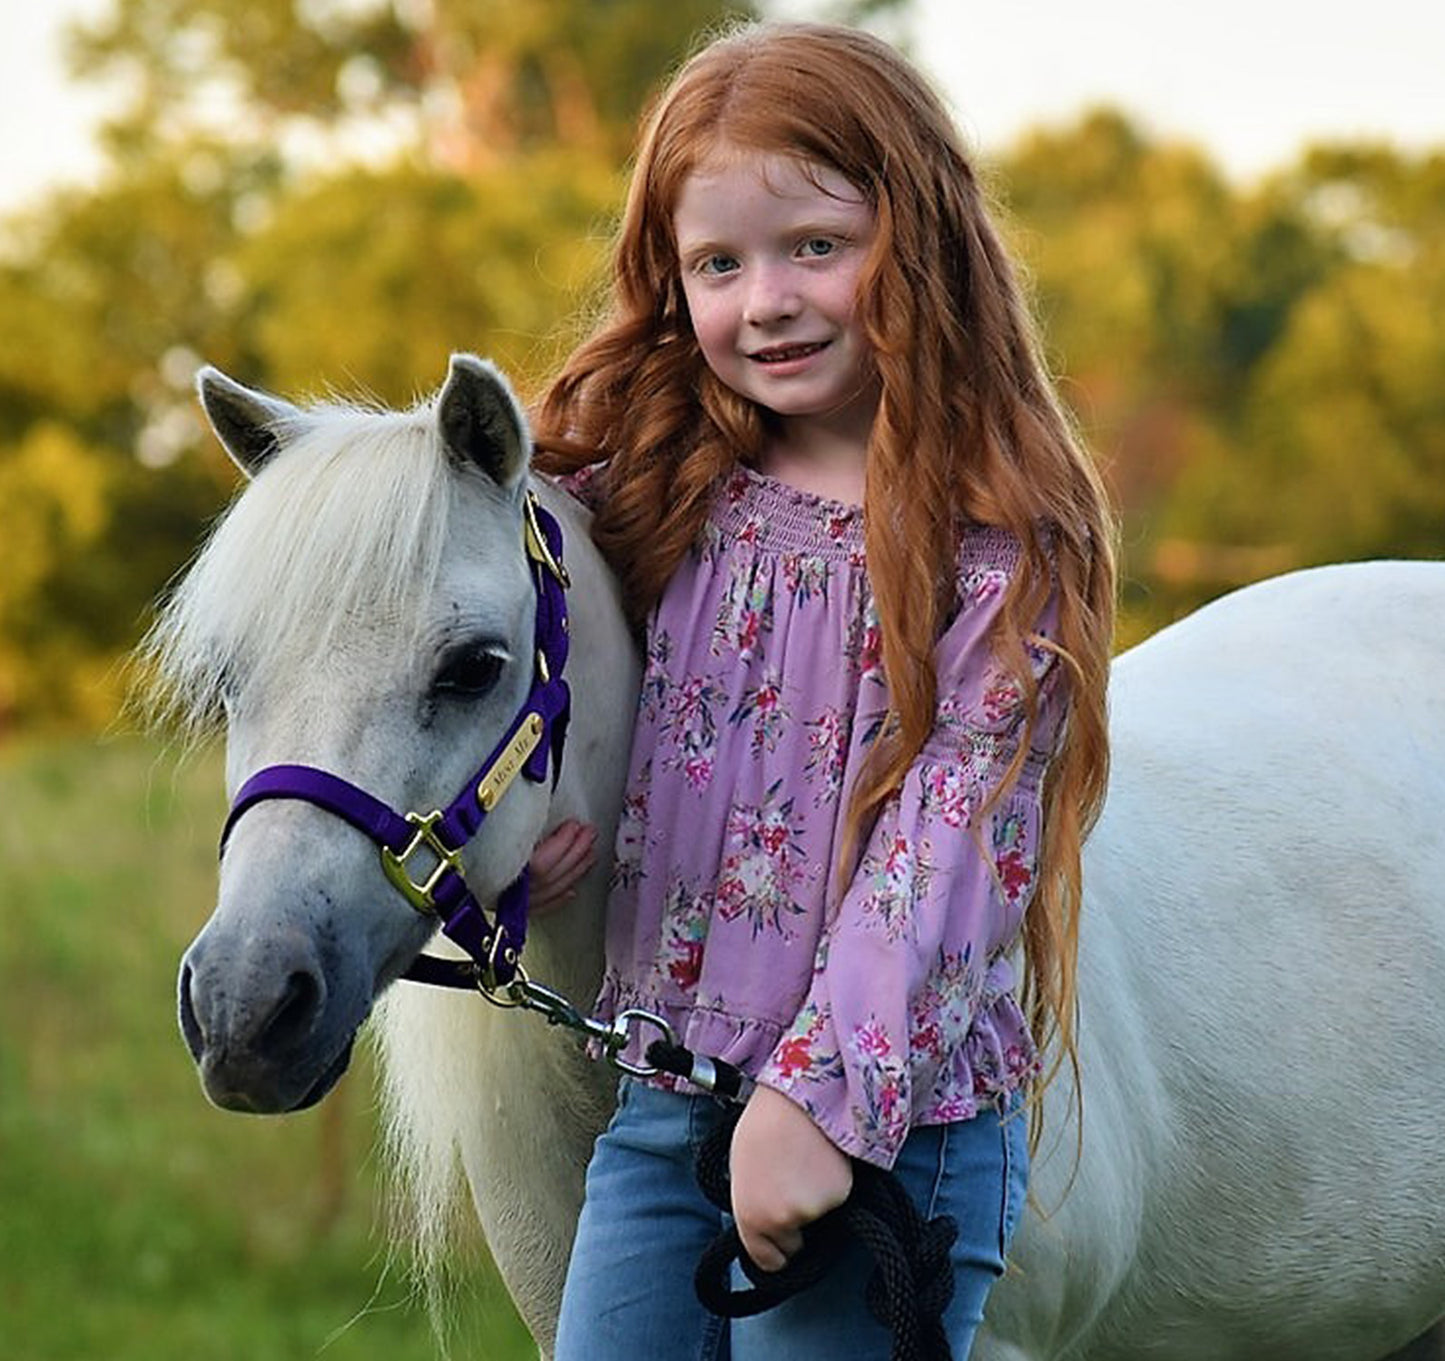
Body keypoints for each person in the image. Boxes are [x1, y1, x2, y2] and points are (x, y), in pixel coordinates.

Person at [528, 19, 1116, 1359]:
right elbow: (540, 680)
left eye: (815, 248)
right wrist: (531, 832)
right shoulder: (658, 491)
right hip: (662, 1118)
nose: (766, 301)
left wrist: (816, 1102)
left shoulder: (999, 547)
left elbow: (948, 848)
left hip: (885, 1140)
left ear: (917, 240)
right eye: (717, 263)